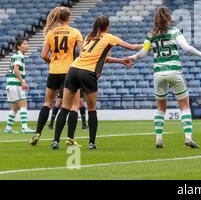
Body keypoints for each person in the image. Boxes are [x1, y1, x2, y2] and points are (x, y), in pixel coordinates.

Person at [50, 16, 140, 150]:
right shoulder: (110, 37)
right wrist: (148, 45)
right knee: (92, 109)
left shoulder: (89, 37)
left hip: (73, 70)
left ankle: (55, 142)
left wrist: (121, 61)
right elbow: (132, 48)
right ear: (107, 26)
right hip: (88, 73)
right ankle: (92, 143)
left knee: (65, 108)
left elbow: (102, 58)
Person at [129, 7, 201, 148]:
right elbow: (187, 48)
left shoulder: (151, 35)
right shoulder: (174, 32)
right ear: (168, 17)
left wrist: (134, 57)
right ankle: (188, 137)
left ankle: (159, 138)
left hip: (158, 74)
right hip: (174, 72)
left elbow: (143, 52)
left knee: (160, 108)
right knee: (184, 106)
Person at [30, 7, 84, 146]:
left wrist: (53, 62)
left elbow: (43, 55)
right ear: (68, 18)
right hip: (69, 72)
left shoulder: (50, 33)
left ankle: (37, 133)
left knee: (47, 102)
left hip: (53, 72)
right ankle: (68, 138)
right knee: (73, 106)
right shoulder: (75, 32)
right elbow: (83, 53)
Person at [4, 38, 34, 134]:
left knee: (15, 107)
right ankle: (24, 128)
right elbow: (16, 69)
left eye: (27, 44)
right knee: (24, 104)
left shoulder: (16, 55)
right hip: (15, 84)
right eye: (24, 44)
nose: (27, 45)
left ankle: (8, 128)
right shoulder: (19, 56)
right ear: (18, 46)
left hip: (10, 84)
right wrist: (23, 82)